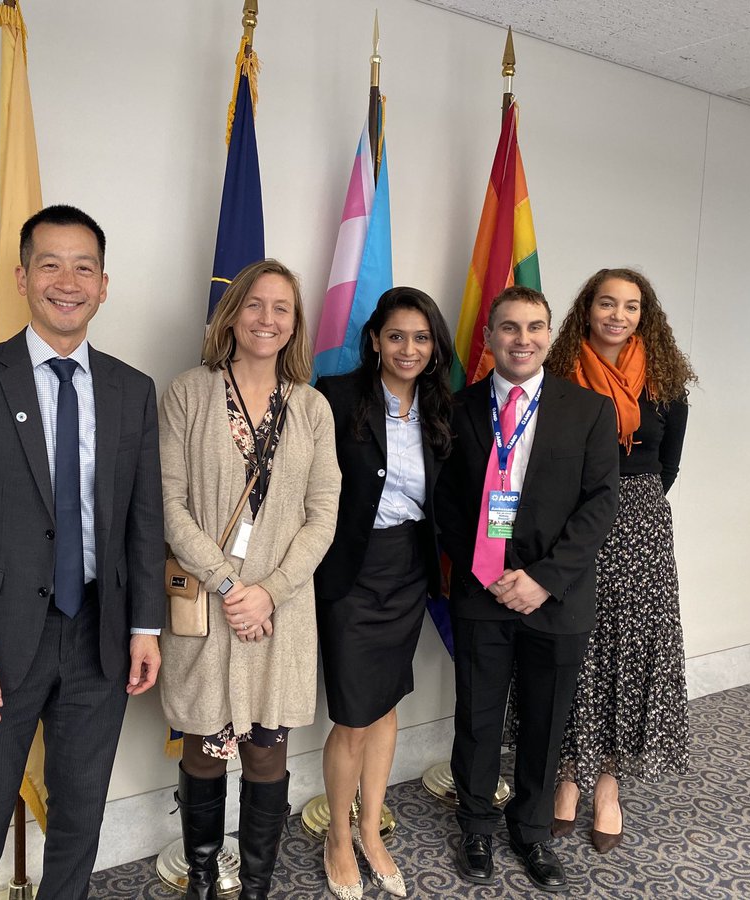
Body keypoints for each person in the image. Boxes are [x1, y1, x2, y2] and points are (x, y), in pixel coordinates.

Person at [0, 205, 164, 900]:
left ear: (104, 285)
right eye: (50, 263)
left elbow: (145, 523)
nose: (67, 280)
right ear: (23, 277)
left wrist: (145, 625)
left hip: (99, 645)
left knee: (80, 824)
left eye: (84, 266)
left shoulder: (132, 390)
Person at [158, 259, 340, 900]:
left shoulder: (314, 409)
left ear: (295, 325)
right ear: (232, 313)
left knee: (267, 750)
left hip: (280, 614)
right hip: (210, 611)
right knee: (205, 749)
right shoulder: (188, 392)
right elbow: (169, 505)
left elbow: (323, 517)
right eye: (255, 305)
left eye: (281, 308)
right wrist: (231, 586)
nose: (267, 318)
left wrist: (270, 590)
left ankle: (258, 885)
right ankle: (204, 879)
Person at [435, 286, 619, 893]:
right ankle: (478, 826)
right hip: (481, 595)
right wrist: (488, 573)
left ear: (550, 335)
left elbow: (599, 507)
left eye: (535, 327)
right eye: (509, 328)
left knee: (546, 722)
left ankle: (532, 830)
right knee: (478, 719)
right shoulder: (456, 410)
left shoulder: (589, 410)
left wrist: (541, 579)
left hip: (556, 598)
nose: (523, 340)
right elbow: (447, 507)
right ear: (488, 338)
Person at [545, 268, 697, 852]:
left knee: (629, 651)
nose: (617, 315)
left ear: (644, 316)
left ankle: (606, 784)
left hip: (640, 531)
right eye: (606, 303)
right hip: (570, 521)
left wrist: (632, 506)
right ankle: (566, 778)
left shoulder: (666, 384)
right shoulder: (556, 376)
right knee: (574, 647)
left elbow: (668, 467)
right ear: (587, 309)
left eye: (630, 307)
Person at [314, 287, 456, 900]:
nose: (409, 348)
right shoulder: (337, 396)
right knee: (352, 713)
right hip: (349, 572)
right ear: (374, 339)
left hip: (408, 570)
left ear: (434, 346)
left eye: (421, 338)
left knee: (388, 702)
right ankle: (338, 837)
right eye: (396, 336)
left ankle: (372, 830)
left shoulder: (443, 407)